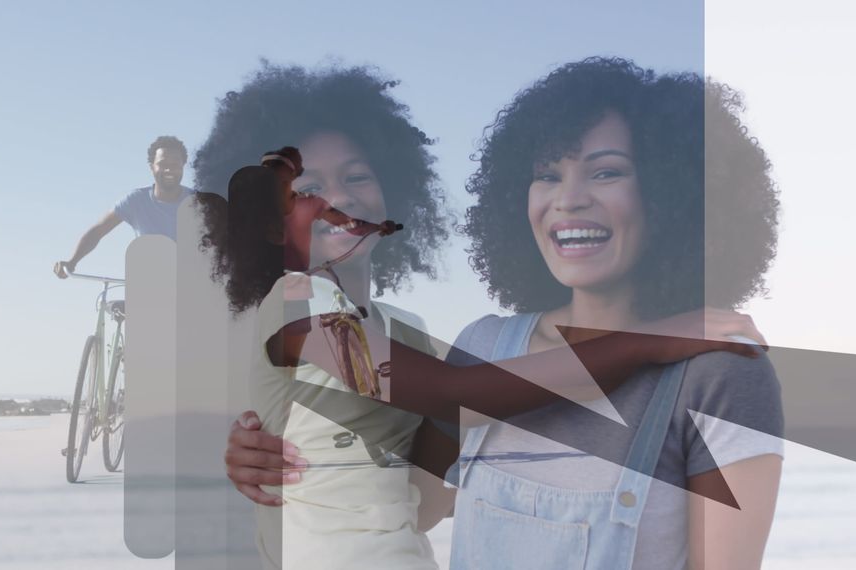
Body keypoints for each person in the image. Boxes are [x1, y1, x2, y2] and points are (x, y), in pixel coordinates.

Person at [224, 58, 782, 569]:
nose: (569, 198)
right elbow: (450, 408)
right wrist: (260, 452)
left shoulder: (719, 375)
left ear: (670, 189)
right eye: (547, 174)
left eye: (606, 172)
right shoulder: (475, 345)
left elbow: (408, 498)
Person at [195, 63, 451, 570]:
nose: (336, 197)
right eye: (307, 187)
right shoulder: (293, 303)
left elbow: (424, 509)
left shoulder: (409, 329)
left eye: (356, 176)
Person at [54, 135, 193, 277]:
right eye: (162, 164)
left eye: (175, 164)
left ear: (183, 166)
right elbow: (98, 231)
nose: (169, 170)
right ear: (152, 167)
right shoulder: (136, 200)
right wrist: (72, 262)